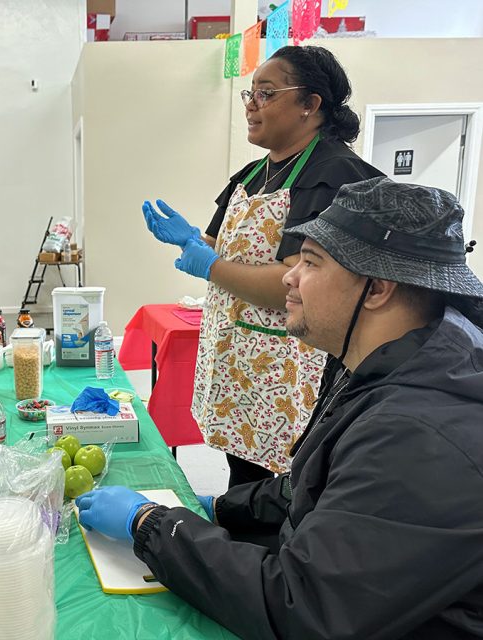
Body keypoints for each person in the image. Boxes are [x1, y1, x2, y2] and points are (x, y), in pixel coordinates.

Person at [80, 177, 483, 639]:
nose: (288, 275)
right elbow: (312, 487)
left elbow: (302, 607)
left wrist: (149, 525)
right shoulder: (391, 362)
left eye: (310, 261)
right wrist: (218, 508)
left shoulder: (420, 433)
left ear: (377, 289)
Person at [142, 46, 383, 486]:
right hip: (240, 368)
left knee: (283, 492)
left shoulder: (335, 175)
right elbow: (216, 245)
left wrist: (211, 266)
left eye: (267, 93)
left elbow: (295, 285)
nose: (251, 104)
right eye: (250, 94)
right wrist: (189, 240)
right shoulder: (251, 176)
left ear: (310, 104)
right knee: (243, 476)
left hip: (289, 374)